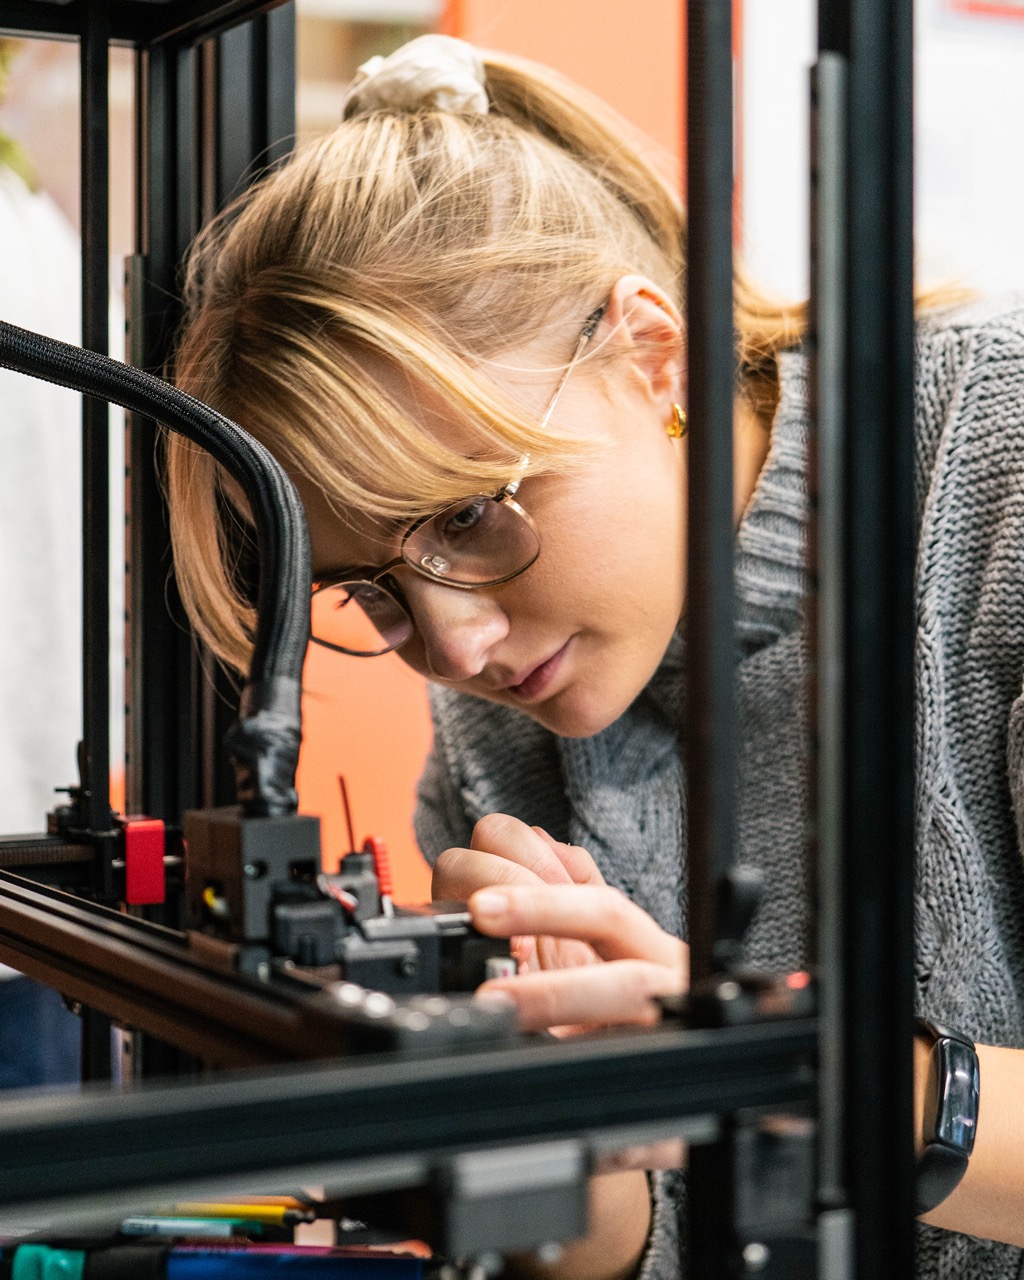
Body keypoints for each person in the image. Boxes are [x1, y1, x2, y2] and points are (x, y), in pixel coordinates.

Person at [165, 33, 1024, 1280]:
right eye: (373, 590)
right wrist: (566, 1149)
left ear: (651, 351)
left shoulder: (994, 476)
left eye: (468, 515)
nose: (452, 646)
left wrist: (787, 1070)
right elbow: (642, 1249)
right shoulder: (505, 720)